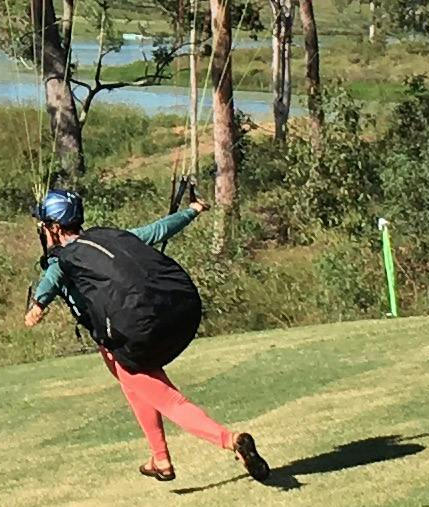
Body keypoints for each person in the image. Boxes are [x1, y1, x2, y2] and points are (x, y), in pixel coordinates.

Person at [26, 187, 269, 485]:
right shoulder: (109, 238)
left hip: (125, 338)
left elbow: (51, 278)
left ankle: (231, 440)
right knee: (134, 388)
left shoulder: (63, 259)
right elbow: (158, 230)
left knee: (169, 400)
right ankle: (160, 458)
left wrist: (37, 305)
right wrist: (191, 211)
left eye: (43, 225)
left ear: (55, 227)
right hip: (158, 318)